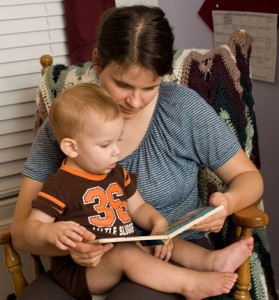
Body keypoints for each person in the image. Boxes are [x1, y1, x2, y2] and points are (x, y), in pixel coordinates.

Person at [11, 5, 263, 300]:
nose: (135, 101)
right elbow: (23, 230)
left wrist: (227, 203)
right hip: (87, 262)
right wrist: (71, 246)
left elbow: (249, 177)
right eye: (123, 84)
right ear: (97, 62)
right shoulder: (69, 123)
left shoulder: (182, 109)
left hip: (173, 252)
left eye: (150, 87)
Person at [22, 83, 253, 300]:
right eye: (106, 145)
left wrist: (159, 224)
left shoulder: (115, 173)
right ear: (71, 147)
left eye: (118, 141)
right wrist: (51, 233)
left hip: (124, 250)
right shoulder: (59, 184)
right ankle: (190, 284)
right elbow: (31, 228)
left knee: (162, 241)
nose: (116, 152)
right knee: (126, 253)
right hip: (86, 270)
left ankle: (211, 261)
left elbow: (139, 207)